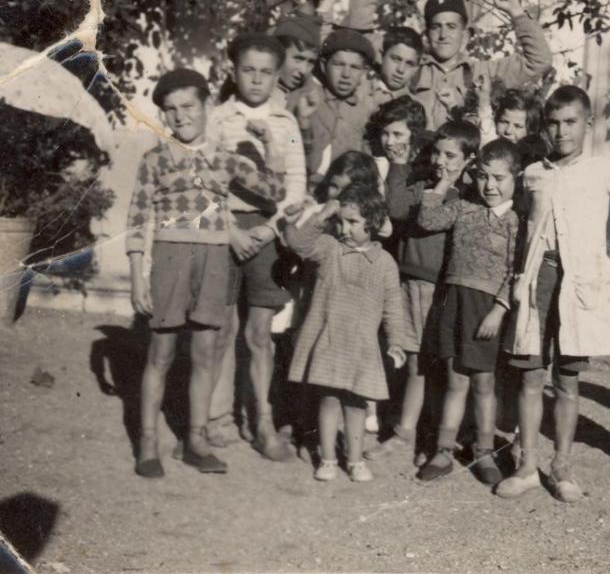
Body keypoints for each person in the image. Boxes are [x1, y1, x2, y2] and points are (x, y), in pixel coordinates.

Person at [497, 86, 610, 501]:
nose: (561, 131)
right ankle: (526, 467)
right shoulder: (534, 173)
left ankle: (562, 466)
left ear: (588, 124)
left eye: (570, 122)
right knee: (531, 376)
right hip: (539, 280)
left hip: (580, 285)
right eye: (553, 123)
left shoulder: (600, 169)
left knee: (567, 380)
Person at [126, 68, 285, 478]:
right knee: (160, 354)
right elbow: (137, 216)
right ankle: (147, 442)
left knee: (205, 354)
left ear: (207, 107)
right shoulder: (154, 160)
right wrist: (137, 275)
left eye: (188, 107)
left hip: (215, 261)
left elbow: (273, 192)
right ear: (163, 115)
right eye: (171, 110)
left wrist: (271, 147)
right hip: (170, 260)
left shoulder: (225, 158)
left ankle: (194, 440)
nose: (180, 117)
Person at [206, 32, 306, 461]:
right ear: (234, 71)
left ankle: (260, 418)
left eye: (266, 72)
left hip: (267, 233)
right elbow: (204, 177)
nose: (257, 80)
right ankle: (217, 416)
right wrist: (228, 229)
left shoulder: (286, 123)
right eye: (249, 70)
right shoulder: (218, 118)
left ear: (277, 76)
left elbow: (296, 185)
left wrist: (270, 228)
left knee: (259, 333)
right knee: (224, 329)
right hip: (227, 229)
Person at [364, 120, 480, 466]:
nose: (441, 161)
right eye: (437, 153)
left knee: (441, 365)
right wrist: (400, 165)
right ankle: (404, 433)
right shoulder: (423, 186)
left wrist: (446, 187)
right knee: (413, 360)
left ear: (469, 160)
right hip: (409, 282)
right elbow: (396, 209)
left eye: (450, 155)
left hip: (441, 289)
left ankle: (437, 436)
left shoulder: (467, 197)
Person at [281, 185, 406, 483]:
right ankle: (327, 458)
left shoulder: (386, 264)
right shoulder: (328, 249)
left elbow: (393, 308)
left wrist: (396, 343)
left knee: (357, 403)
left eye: (352, 222)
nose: (344, 228)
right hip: (328, 340)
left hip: (361, 346)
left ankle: (354, 459)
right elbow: (297, 242)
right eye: (341, 221)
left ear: (372, 223)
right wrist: (325, 213)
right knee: (328, 400)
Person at [415, 139, 521, 485]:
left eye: (499, 178)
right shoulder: (463, 207)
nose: (490, 186)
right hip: (454, 302)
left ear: (515, 178)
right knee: (455, 379)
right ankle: (444, 450)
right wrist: (447, 178)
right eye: (483, 177)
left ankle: (484, 451)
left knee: (484, 382)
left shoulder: (516, 223)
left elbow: (515, 270)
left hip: (486, 309)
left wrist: (500, 310)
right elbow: (428, 218)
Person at [346, 0, 553, 130]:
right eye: (436, 27)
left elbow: (538, 61)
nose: (443, 34)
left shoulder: (483, 72)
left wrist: (516, 12)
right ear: (426, 33)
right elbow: (355, 41)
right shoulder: (409, 65)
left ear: (465, 34)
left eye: (451, 26)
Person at [287, 28, 378, 175]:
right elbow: (289, 143)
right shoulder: (304, 100)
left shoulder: (366, 114)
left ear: (363, 72)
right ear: (323, 66)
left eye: (354, 67)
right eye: (338, 64)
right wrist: (301, 130)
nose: (346, 75)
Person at [365, 95, 429, 183]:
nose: (389, 142)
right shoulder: (374, 165)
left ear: (414, 136)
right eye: (385, 133)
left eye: (397, 134)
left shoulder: (421, 168)